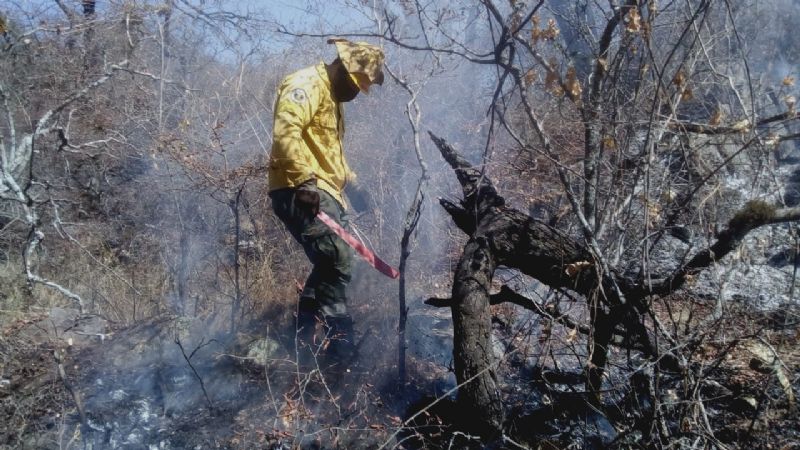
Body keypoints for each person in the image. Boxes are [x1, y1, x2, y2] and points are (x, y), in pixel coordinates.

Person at [268, 39, 384, 366]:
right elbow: (286, 130)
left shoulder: (333, 99)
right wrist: (303, 182)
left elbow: (330, 156)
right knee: (338, 258)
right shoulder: (305, 84)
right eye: (357, 85)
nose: (358, 93)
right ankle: (339, 347)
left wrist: (358, 189)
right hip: (298, 189)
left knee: (332, 262)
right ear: (342, 68)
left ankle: (302, 339)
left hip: (324, 192)